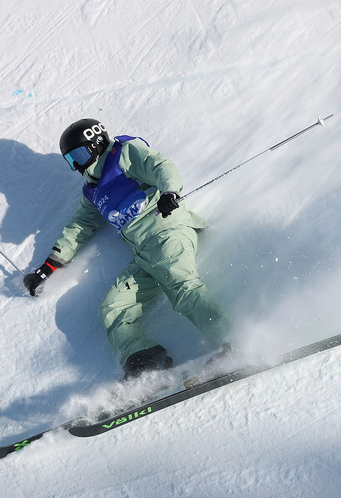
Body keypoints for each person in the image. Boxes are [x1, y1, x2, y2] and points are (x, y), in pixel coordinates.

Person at [24, 118, 232, 379]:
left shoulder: (123, 154)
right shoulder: (93, 192)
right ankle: (144, 360)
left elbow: (160, 165)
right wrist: (48, 267)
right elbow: (80, 225)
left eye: (79, 155)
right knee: (114, 307)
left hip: (166, 231)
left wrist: (169, 192)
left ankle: (235, 342)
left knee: (182, 285)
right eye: (70, 160)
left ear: (96, 144)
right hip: (145, 255)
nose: (77, 165)